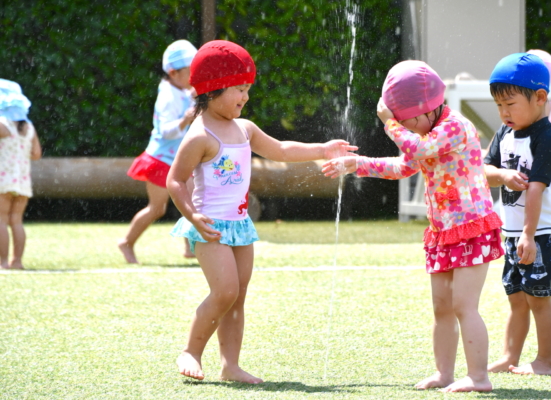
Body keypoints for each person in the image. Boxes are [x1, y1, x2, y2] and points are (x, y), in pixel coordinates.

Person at [167, 40, 357, 384]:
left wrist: (322, 149)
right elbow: (175, 181)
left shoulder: (245, 129)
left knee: (237, 297)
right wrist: (192, 216)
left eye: (247, 89)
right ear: (212, 89)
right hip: (210, 228)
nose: (246, 96)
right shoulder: (200, 135)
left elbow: (281, 150)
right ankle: (191, 351)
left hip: (240, 226)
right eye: (239, 89)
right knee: (224, 291)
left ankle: (230, 365)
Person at [322, 60, 504, 392]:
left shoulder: (455, 128)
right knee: (442, 308)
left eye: (407, 123)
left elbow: (417, 147)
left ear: (426, 111)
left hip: (472, 228)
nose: (405, 129)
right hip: (442, 232)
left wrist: (389, 123)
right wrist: (358, 164)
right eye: (401, 123)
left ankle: (479, 377)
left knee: (464, 305)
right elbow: (405, 165)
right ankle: (444, 373)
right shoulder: (424, 133)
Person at [484, 53, 551, 376]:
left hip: (543, 232)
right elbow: (484, 170)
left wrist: (530, 235)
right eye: (499, 106)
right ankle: (510, 357)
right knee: (517, 297)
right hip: (514, 232)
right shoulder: (505, 134)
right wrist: (502, 176)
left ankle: (547, 361)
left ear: (539, 98)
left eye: (510, 104)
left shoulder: (546, 136)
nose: (504, 112)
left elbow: (535, 189)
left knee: (539, 299)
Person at [118, 40, 198, 264]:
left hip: (178, 159)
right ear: (173, 73)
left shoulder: (181, 89)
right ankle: (126, 242)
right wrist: (184, 121)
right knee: (157, 208)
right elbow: (165, 131)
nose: (193, 77)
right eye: (190, 72)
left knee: (191, 202)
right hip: (161, 159)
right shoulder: (167, 96)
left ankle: (189, 247)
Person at [0, 79, 42, 270]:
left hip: (2, 180)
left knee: (0, 219)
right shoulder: (29, 127)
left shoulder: (2, 124)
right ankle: (17, 261)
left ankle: (2, 262)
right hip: (23, 181)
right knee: (16, 220)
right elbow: (36, 155)